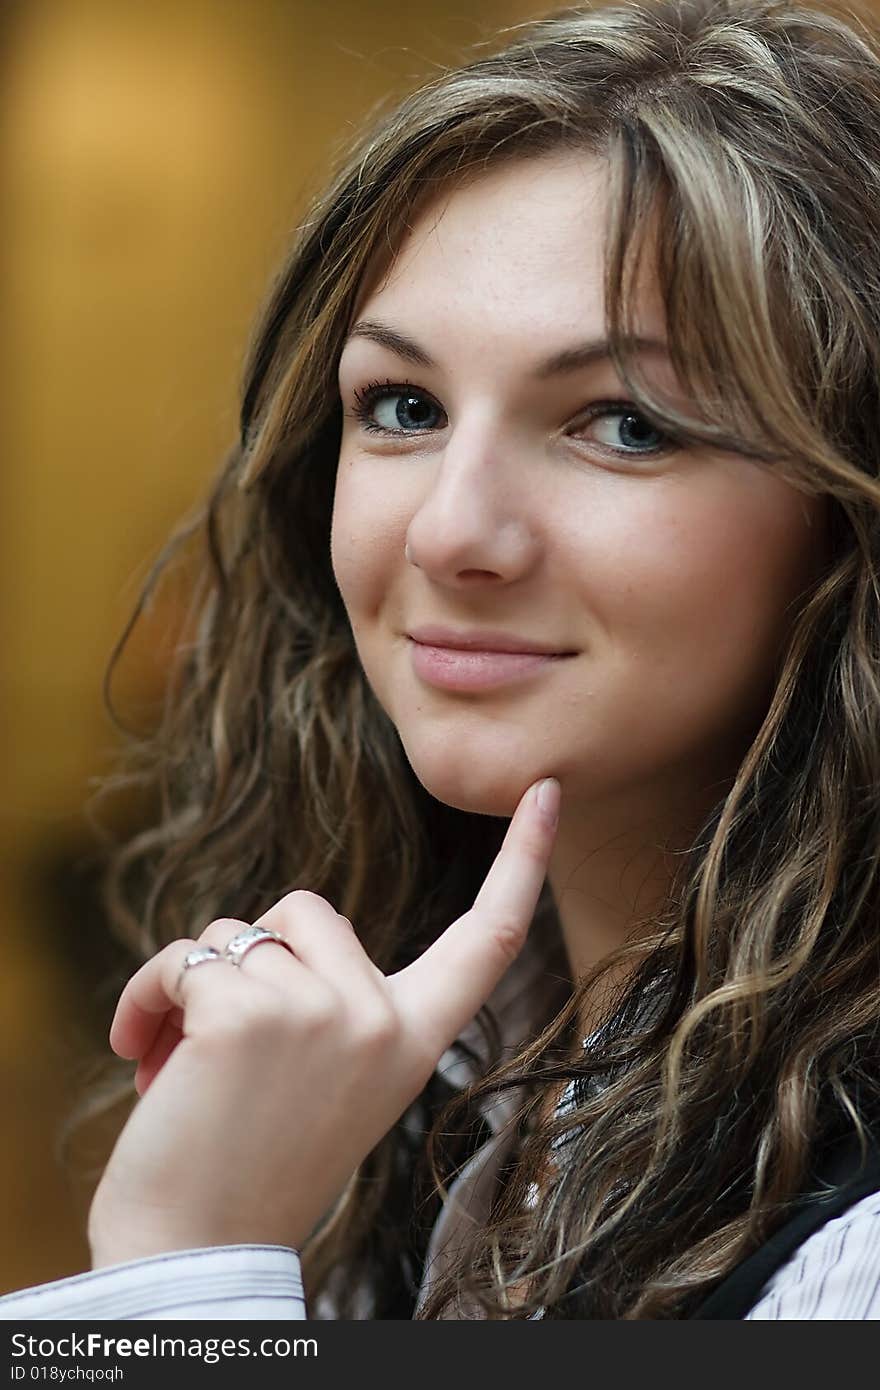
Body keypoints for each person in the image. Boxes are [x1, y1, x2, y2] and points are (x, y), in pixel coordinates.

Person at [4, 0, 880, 1322]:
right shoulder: (416, 1076)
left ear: (849, 518)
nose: (454, 527)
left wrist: (185, 1261)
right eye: (403, 406)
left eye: (625, 424)